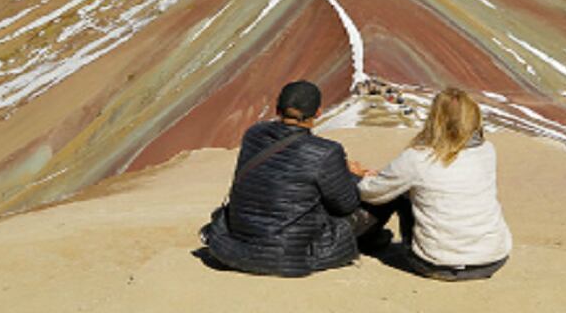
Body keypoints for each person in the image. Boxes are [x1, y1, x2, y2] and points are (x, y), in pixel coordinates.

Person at [202, 80, 364, 277]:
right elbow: (345, 206)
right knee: (378, 197)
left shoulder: (253, 134)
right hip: (288, 255)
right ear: (318, 112)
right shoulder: (327, 151)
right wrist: (351, 176)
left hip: (235, 247)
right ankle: (374, 243)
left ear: (278, 109)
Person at [357, 87, 513, 281]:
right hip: (493, 259)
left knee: (400, 193)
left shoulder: (417, 158)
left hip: (436, 264)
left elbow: (371, 193)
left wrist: (368, 177)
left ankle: (370, 240)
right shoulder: (487, 151)